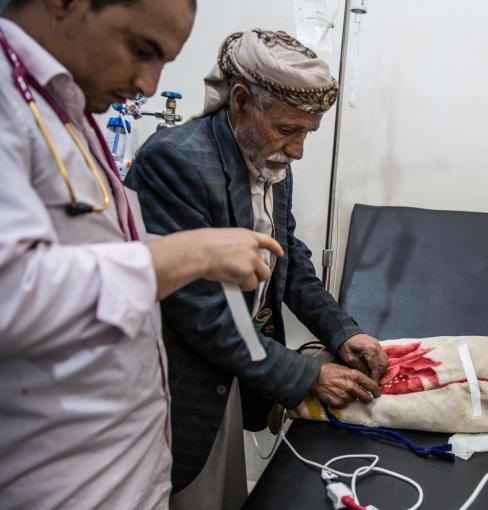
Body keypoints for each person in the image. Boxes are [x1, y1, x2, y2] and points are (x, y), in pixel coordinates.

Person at [0, 2, 283, 509]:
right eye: (142, 49)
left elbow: (93, 250)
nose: (150, 86)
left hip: (125, 466)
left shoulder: (63, 107)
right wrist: (186, 255)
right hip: (56, 480)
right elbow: (13, 290)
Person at [126, 28, 388, 509]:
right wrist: (306, 376)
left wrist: (342, 332)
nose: (297, 150)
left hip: (238, 367)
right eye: (288, 130)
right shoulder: (176, 162)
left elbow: (289, 258)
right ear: (241, 102)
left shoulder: (265, 159)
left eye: (307, 133)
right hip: (181, 381)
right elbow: (202, 312)